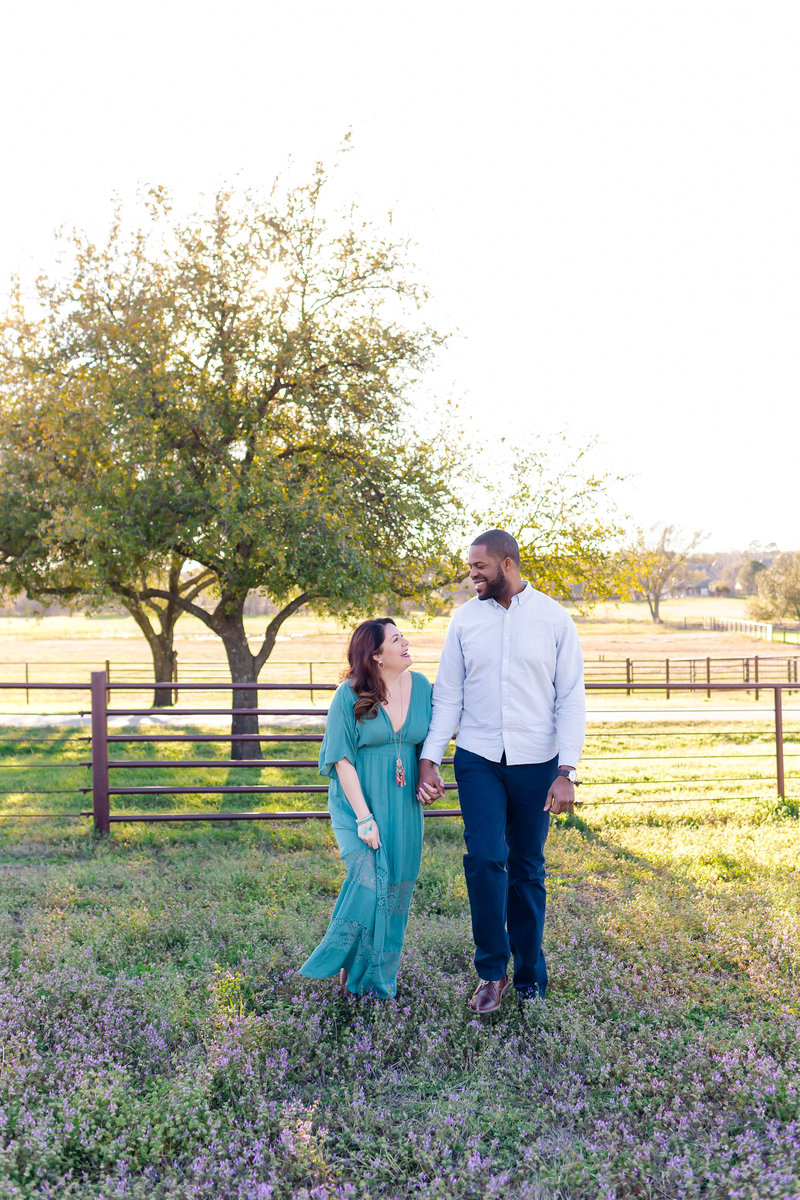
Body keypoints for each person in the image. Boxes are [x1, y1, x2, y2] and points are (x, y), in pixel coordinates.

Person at [416, 529, 585, 1013]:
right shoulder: (465, 621)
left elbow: (570, 696)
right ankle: (492, 973)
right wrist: (430, 757)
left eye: (479, 566)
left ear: (507, 564)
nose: (472, 574)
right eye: (470, 566)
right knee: (486, 859)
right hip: (479, 758)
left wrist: (566, 771)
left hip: (538, 763)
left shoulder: (554, 619)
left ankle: (531, 973)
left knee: (527, 868)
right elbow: (449, 695)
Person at [299, 618, 438, 999]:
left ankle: (378, 980)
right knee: (367, 884)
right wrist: (364, 818)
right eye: (397, 639)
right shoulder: (349, 694)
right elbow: (341, 759)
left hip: (403, 806)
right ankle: (342, 962)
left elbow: (437, 736)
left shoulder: (423, 687)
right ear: (377, 655)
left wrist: (431, 773)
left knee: (395, 890)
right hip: (357, 803)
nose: (406, 643)